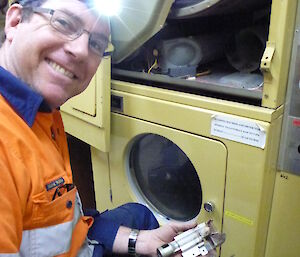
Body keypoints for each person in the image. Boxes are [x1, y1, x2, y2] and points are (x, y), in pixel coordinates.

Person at [0, 0, 214, 257]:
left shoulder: (42, 112)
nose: (81, 51)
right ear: (14, 22)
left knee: (142, 215)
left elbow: (63, 222)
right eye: (64, 23)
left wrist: (140, 241)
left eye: (96, 44)